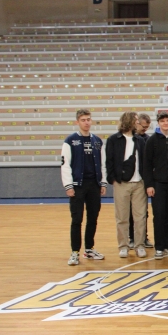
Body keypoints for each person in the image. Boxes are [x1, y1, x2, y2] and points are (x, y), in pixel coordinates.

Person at [61, 109, 107, 266]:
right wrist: (68, 185)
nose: (86, 122)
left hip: (94, 184)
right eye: (83, 120)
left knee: (93, 218)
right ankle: (74, 252)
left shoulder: (97, 141)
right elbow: (65, 165)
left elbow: (102, 164)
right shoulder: (70, 141)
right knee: (77, 219)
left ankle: (89, 249)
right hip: (77, 186)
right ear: (77, 122)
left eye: (88, 119)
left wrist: (102, 182)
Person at [104, 112, 148, 259]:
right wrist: (113, 179)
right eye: (136, 120)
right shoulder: (113, 140)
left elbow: (144, 161)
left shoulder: (140, 140)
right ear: (129, 121)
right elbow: (109, 161)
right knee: (122, 217)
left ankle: (139, 245)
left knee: (140, 217)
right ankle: (123, 246)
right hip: (121, 183)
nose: (138, 123)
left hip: (139, 183)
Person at [143, 111, 168, 260]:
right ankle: (159, 247)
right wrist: (149, 184)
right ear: (158, 123)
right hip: (157, 184)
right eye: (162, 121)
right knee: (158, 216)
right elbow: (147, 164)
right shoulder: (152, 140)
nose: (165, 123)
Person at [130, 113, 153, 249]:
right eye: (142, 127)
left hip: (143, 179)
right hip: (131, 179)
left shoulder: (148, 139)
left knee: (143, 212)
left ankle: (143, 237)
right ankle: (131, 238)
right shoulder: (130, 139)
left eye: (147, 127)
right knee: (129, 212)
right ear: (137, 123)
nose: (144, 129)